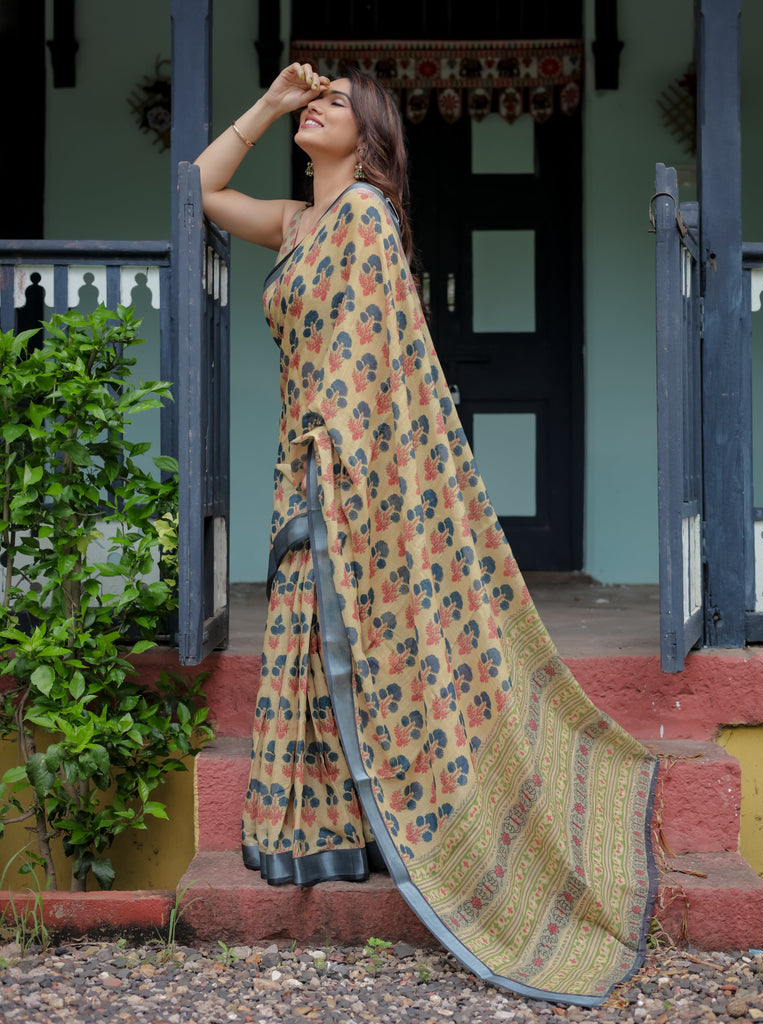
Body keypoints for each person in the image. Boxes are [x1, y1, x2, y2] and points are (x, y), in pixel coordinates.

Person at [194, 62, 658, 1006]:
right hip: (303, 452)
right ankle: (322, 833)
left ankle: (398, 830)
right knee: (313, 636)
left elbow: (361, 358)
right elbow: (199, 189)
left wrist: (331, 466)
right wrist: (271, 104)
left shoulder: (365, 216)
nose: (316, 108)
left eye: (332, 103)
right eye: (313, 100)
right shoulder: (297, 222)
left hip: (344, 460)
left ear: (367, 138)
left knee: (355, 632)